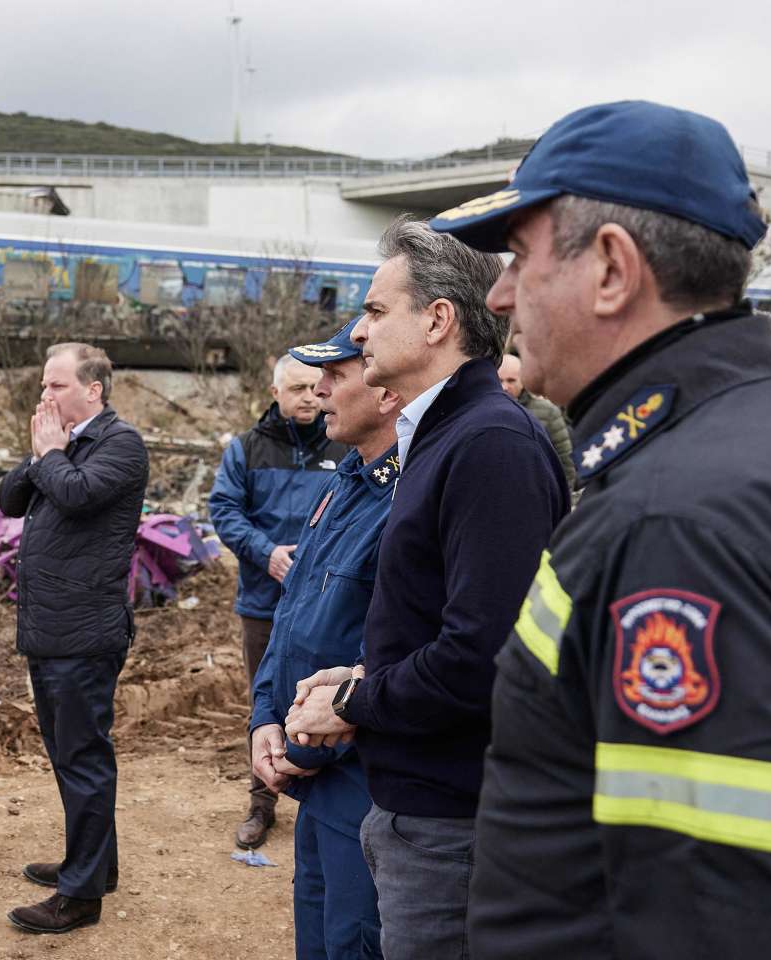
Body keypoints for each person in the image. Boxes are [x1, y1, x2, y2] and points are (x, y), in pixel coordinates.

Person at [429, 99, 771, 957]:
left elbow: (725, 921)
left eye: (521, 257)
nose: (500, 294)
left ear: (612, 269)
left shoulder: (673, 519)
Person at [283, 218, 569, 959]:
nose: (358, 329)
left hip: (453, 821)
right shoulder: (449, 436)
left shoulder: (489, 444)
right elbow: (445, 619)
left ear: (438, 320)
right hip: (422, 807)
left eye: (376, 312)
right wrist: (360, 674)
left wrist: (354, 700)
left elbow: (487, 655)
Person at [249, 318, 401, 959]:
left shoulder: (405, 497)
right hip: (313, 772)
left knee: (353, 940)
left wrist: (306, 749)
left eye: (336, 377)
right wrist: (264, 715)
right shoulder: (344, 482)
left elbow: (385, 655)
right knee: (316, 934)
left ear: (385, 392)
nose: (321, 393)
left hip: (358, 776)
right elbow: (292, 619)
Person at [0, 342, 149, 935]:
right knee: (69, 755)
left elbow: (79, 494)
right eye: (43, 385)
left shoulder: (121, 444)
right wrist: (41, 455)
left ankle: (81, 897)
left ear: (94, 391)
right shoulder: (61, 445)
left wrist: (53, 455)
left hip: (84, 632)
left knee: (84, 759)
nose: (45, 396)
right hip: (50, 628)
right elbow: (9, 501)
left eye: (56, 386)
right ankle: (95, 864)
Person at [210, 353, 349, 849]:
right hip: (263, 600)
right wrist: (265, 553)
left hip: (328, 606)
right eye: (297, 389)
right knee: (264, 700)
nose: (309, 397)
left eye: (316, 387)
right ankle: (261, 801)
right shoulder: (246, 448)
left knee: (329, 698)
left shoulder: (344, 444)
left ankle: (322, 793)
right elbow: (224, 510)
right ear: (276, 394)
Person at [498, 353, 575, 489]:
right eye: (500, 380)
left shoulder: (548, 413)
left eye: (511, 381)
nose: (505, 387)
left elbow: (566, 462)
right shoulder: (482, 411)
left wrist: (565, 502)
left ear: (522, 380)